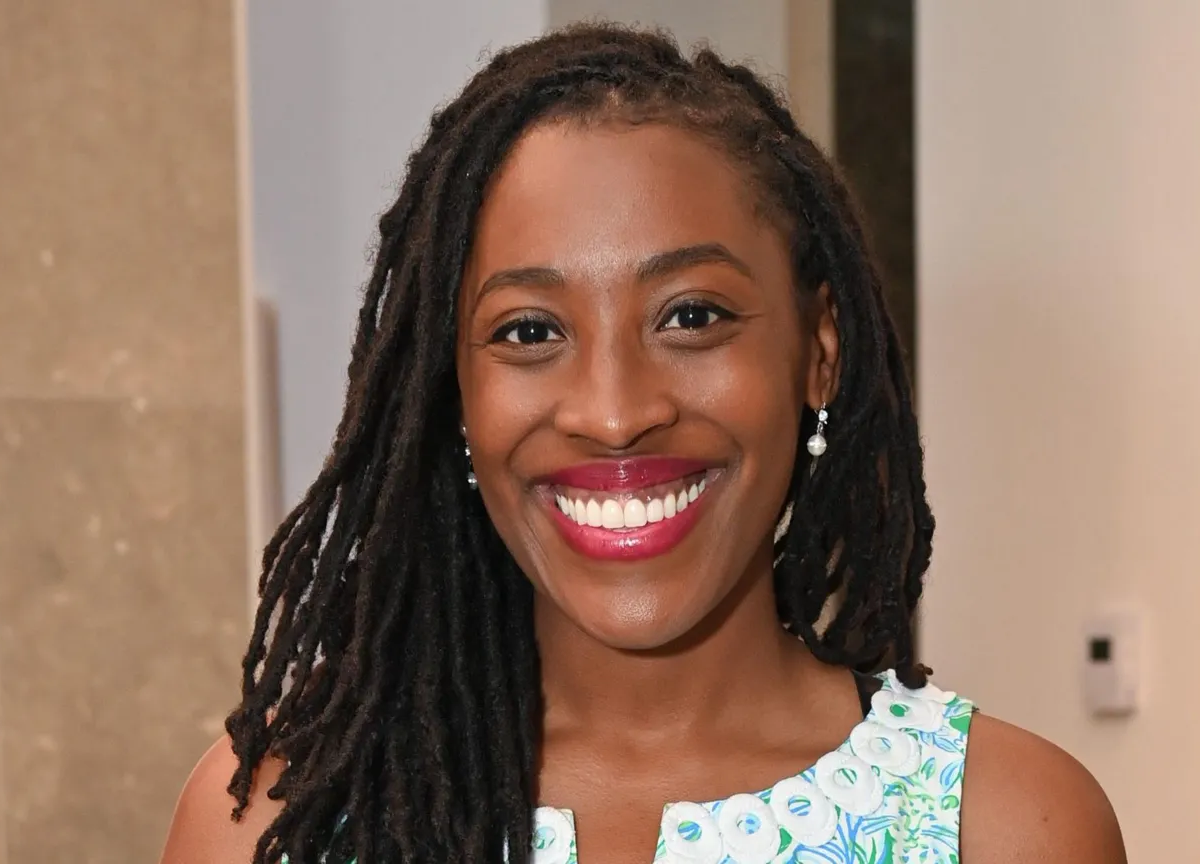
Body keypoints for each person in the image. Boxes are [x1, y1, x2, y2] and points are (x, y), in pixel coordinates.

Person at [159, 24, 1126, 864]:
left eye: (691, 315)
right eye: (529, 331)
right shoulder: (275, 819)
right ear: (452, 393)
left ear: (818, 354)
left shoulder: (1001, 828)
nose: (613, 413)